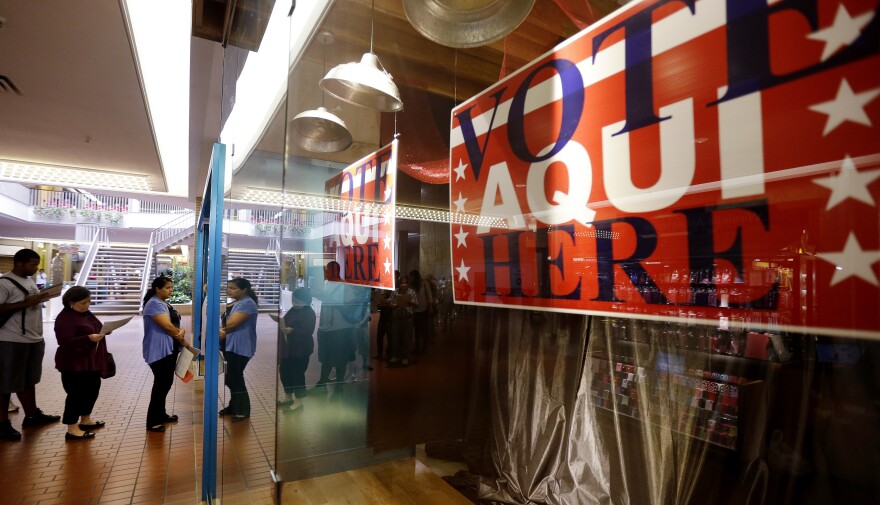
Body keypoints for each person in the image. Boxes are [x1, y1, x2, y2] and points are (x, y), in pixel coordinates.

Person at [0, 248, 60, 442]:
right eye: (32, 265)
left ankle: (32, 415)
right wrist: (26, 303)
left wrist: (41, 297)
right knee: (6, 383)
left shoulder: (28, 281)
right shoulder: (4, 283)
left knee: (28, 380)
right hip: (11, 340)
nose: (35, 269)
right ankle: (2, 424)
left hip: (33, 339)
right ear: (19, 263)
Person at [54, 286, 111, 440]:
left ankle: (85, 419)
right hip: (74, 363)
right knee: (76, 394)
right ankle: (72, 428)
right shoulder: (65, 318)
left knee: (92, 389)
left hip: (90, 361)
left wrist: (105, 330)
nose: (87, 305)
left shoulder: (86, 314)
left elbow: (97, 327)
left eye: (89, 301)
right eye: (83, 303)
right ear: (71, 303)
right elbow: (64, 342)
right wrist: (88, 338)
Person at [142, 276, 187, 433]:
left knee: (166, 382)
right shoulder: (154, 304)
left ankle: (161, 414)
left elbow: (173, 325)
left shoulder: (164, 303)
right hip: (159, 350)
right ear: (157, 289)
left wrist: (180, 331)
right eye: (167, 287)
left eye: (171, 287)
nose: (171, 290)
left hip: (169, 347)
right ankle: (152, 421)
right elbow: (167, 326)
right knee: (161, 384)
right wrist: (182, 338)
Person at [219, 277, 259, 422]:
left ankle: (242, 410)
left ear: (244, 290)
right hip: (230, 345)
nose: (229, 290)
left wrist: (222, 329)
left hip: (240, 347)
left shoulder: (248, 303)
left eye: (233, 288)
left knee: (236, 378)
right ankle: (234, 405)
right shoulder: (236, 302)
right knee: (230, 378)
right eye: (228, 288)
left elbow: (231, 324)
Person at [278, 288, 316, 411]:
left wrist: (292, 330)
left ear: (306, 301)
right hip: (289, 348)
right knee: (284, 371)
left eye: (297, 301)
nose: (295, 303)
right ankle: (288, 397)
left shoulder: (309, 312)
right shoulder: (292, 310)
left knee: (297, 374)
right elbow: (286, 320)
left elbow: (308, 331)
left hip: (301, 349)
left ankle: (299, 401)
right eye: (293, 300)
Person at [389, 276, 418, 366]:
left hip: (407, 318)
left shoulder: (411, 292)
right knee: (395, 338)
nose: (403, 286)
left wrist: (410, 303)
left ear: (408, 284)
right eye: (402, 284)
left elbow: (416, 304)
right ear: (399, 284)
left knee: (407, 338)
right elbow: (390, 302)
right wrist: (393, 305)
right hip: (397, 317)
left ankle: (405, 357)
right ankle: (395, 356)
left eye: (405, 284)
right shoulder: (395, 292)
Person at [409, 270, 434, 354]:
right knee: (416, 329)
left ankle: (424, 347)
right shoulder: (412, 285)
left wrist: (430, 307)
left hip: (424, 309)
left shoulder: (424, 283)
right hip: (415, 309)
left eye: (412, 277)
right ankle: (417, 347)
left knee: (424, 329)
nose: (411, 278)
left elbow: (429, 295)